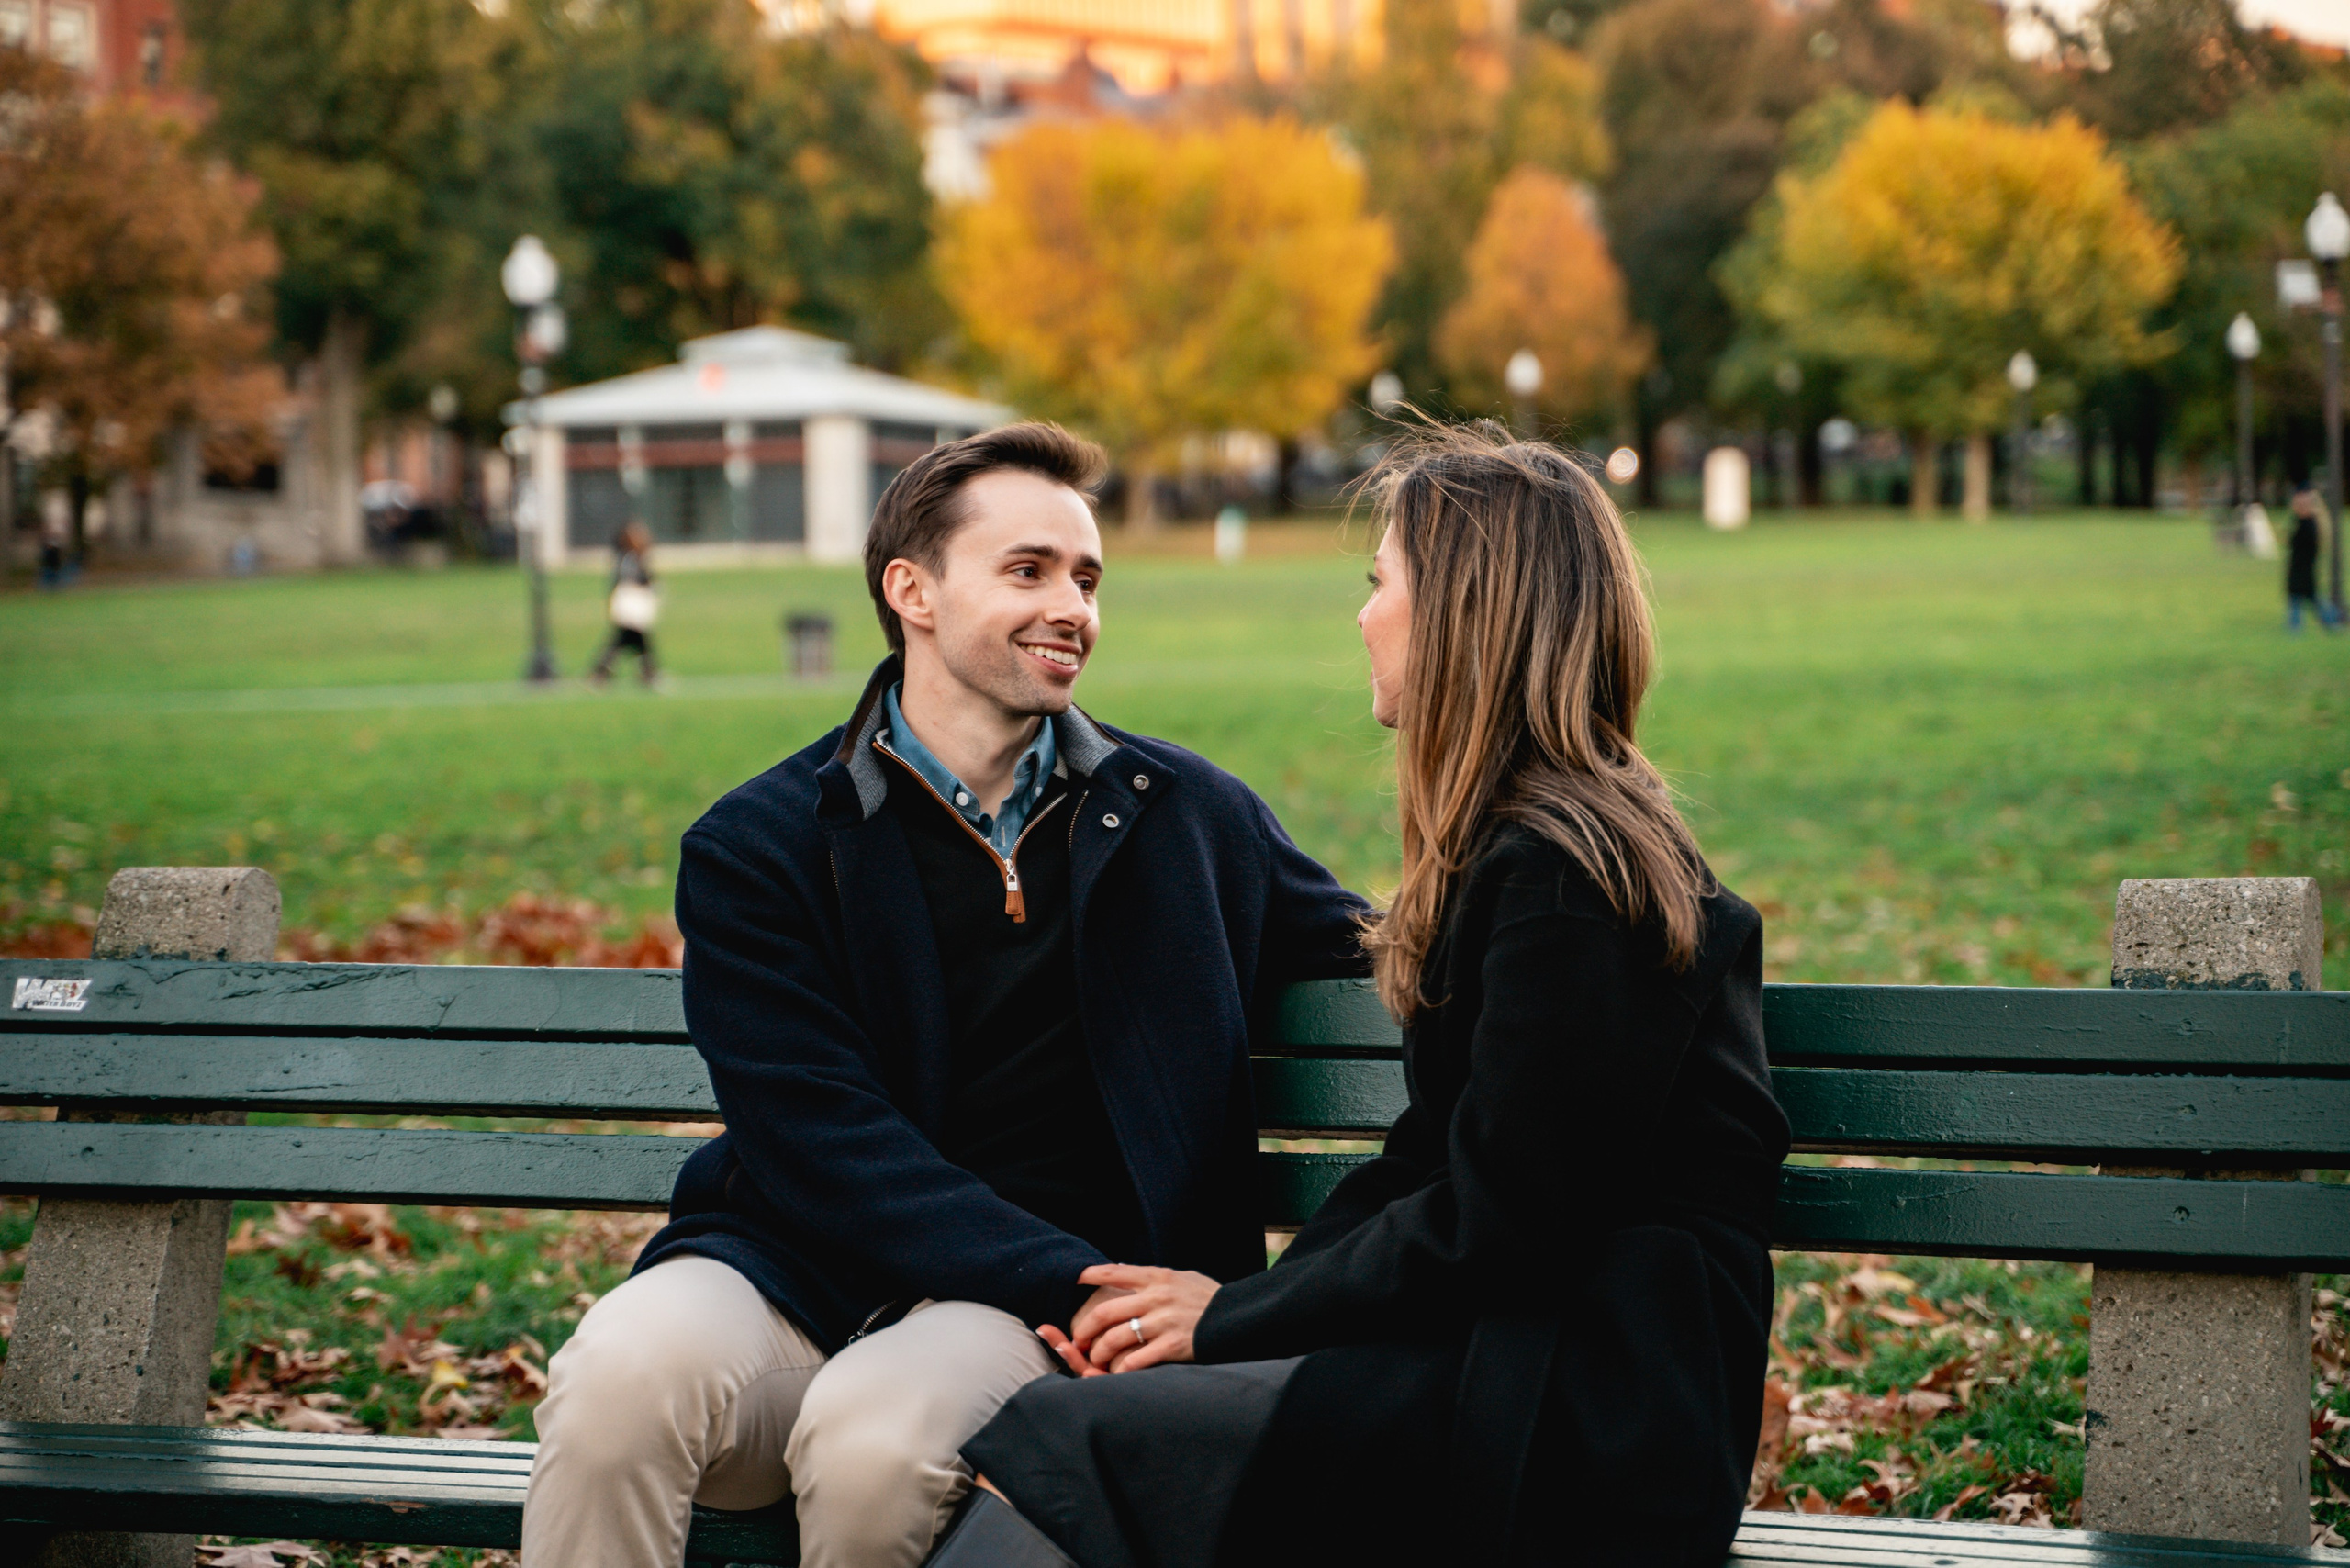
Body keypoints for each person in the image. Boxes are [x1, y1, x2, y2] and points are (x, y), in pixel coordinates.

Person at [521, 422, 1371, 1568]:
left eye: (1085, 577)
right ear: (911, 591)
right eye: (1027, 571)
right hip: (802, 1271)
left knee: (874, 1438)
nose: (1071, 605)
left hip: (1023, 1318)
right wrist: (1077, 1285)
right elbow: (821, 1141)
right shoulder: (760, 845)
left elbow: (1389, 956)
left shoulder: (1186, 815)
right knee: (613, 1381)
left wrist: (1610, 910)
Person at [950, 426, 1791, 1568]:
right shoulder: (1521, 852)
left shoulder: (1567, 881)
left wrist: (1230, 1322)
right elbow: (1428, 1165)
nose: (1361, 616)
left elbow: (1504, 1222)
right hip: (1508, 1350)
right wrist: (1229, 1315)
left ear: (1461, 616)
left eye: (1378, 582)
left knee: (1065, 1445)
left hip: (1588, 1404)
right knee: (1075, 1444)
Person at [593, 520, 662, 683]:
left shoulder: (636, 557)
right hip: (631, 602)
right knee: (632, 638)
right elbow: (632, 579)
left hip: (635, 601)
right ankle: (647, 673)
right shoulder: (627, 558)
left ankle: (604, 672)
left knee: (630, 639)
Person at [2285, 484, 2336, 633]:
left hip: (2302, 570)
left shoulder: (2308, 525)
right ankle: (2331, 623)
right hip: (2301, 570)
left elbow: (2295, 543)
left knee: (2301, 599)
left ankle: (2295, 630)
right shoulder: (2307, 522)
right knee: (2312, 599)